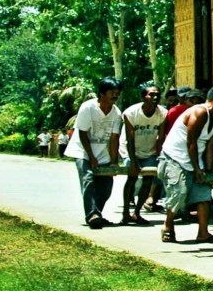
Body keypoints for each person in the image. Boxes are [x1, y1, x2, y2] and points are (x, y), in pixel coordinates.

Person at [157, 85, 213, 243]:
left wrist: (208, 172)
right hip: (175, 158)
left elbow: (210, 147)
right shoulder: (200, 112)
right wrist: (197, 168)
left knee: (204, 195)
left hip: (194, 161)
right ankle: (168, 225)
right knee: (179, 192)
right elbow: (191, 142)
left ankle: (203, 232)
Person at [63, 77, 124, 228]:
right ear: (102, 93)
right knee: (88, 180)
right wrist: (91, 157)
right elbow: (82, 133)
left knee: (106, 185)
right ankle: (92, 214)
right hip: (83, 151)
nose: (115, 95)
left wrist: (114, 161)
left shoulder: (116, 113)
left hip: (103, 153)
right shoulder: (88, 108)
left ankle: (97, 213)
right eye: (111, 92)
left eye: (117, 92)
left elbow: (114, 138)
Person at [120, 81, 167, 225]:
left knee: (148, 180)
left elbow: (160, 137)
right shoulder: (131, 113)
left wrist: (159, 157)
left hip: (150, 152)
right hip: (131, 151)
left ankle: (137, 212)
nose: (155, 97)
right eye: (151, 94)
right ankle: (126, 213)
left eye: (157, 95)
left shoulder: (162, 113)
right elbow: (130, 138)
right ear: (143, 97)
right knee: (132, 178)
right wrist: (133, 162)